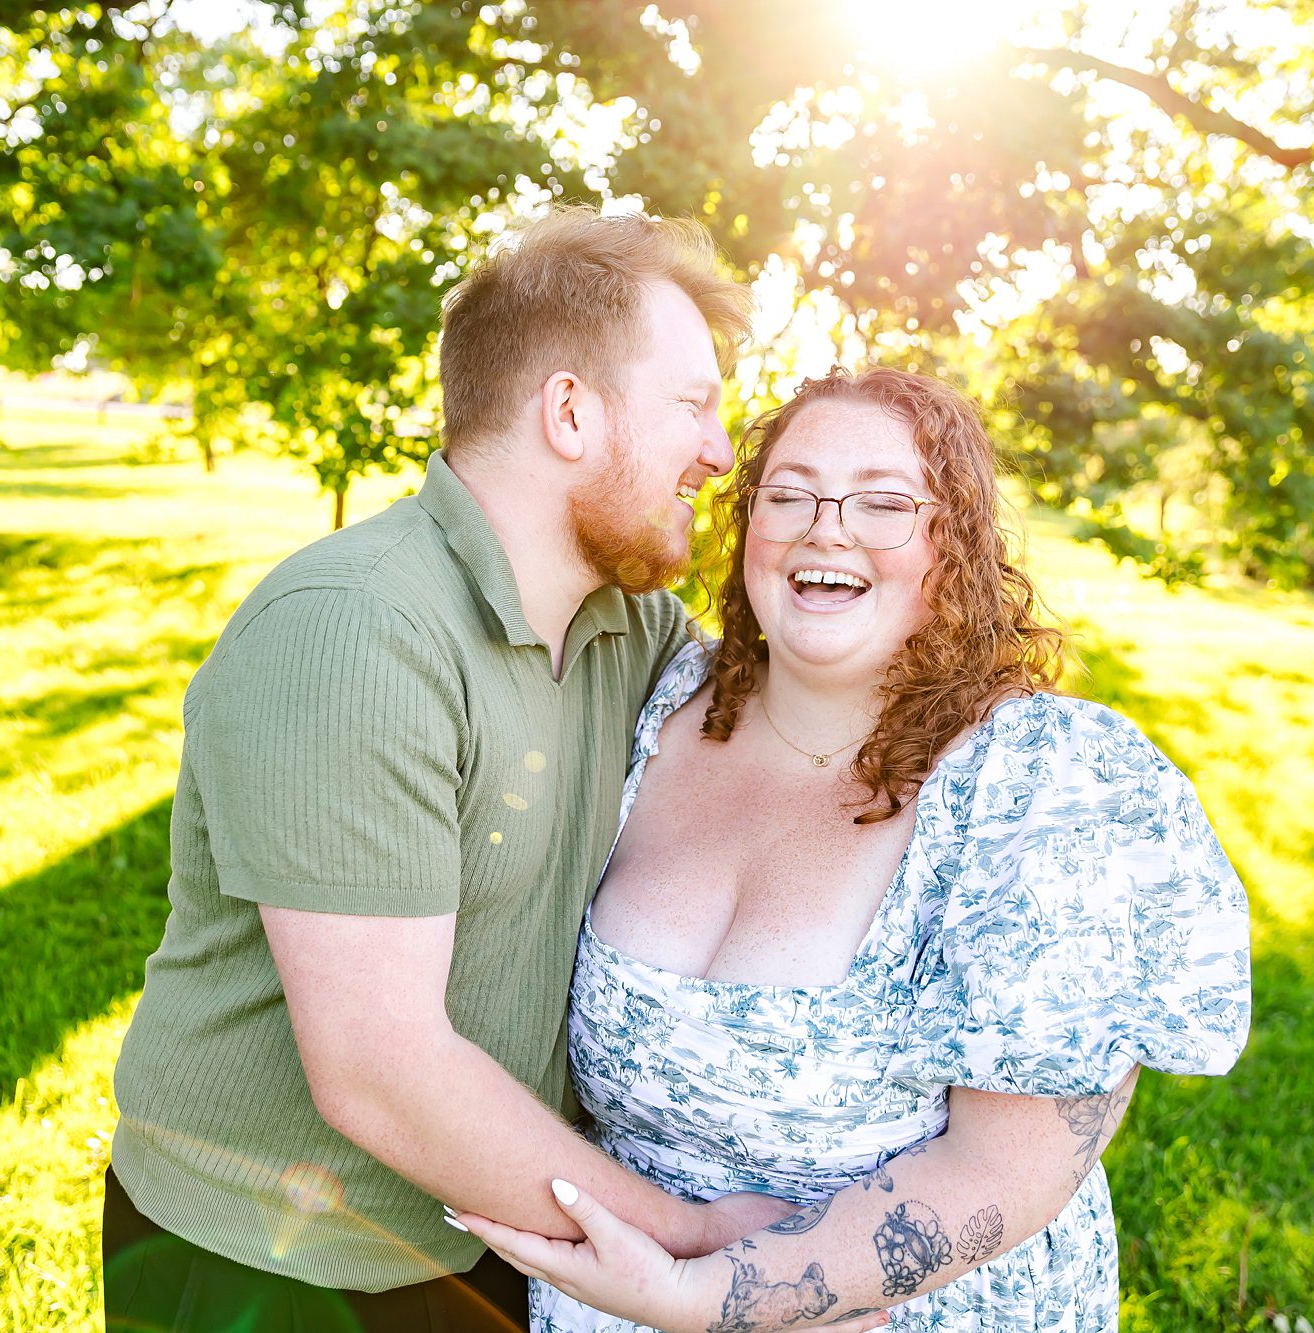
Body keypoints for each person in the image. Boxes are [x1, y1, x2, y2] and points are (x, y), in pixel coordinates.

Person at [102, 207, 809, 1333]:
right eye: (692, 405)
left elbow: (811, 724)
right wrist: (690, 1241)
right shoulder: (352, 630)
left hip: (488, 1225)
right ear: (569, 411)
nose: (722, 455)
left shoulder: (630, 632)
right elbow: (380, 1067)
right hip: (280, 1259)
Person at [453, 367, 1254, 1332]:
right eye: (787, 495)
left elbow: (1004, 1173)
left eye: (883, 502)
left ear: (951, 545)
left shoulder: (1048, 785)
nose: (824, 528)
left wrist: (708, 1296)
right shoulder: (654, 702)